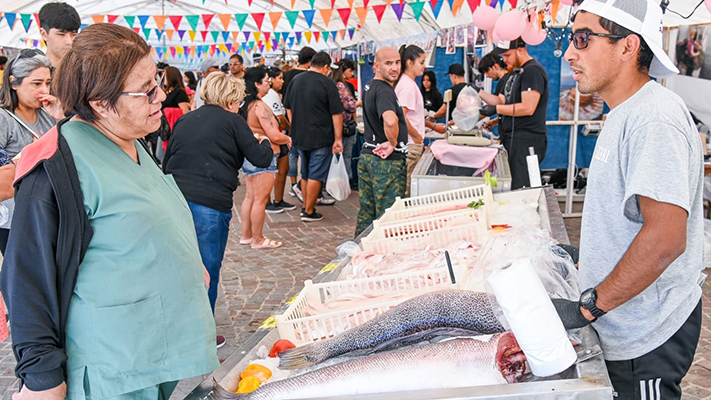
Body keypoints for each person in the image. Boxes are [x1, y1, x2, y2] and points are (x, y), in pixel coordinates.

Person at [2, 24, 220, 400]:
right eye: (147, 90)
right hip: (110, 370)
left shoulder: (130, 139)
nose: (160, 97)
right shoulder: (57, 164)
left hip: (150, 355)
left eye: (158, 83)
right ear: (101, 103)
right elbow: (27, 279)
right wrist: (42, 380)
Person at [551, 1, 704, 399]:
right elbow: (630, 217)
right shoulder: (624, 112)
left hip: (645, 333)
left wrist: (588, 307)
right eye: (572, 39)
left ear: (627, 46)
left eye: (583, 39)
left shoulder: (654, 118)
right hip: (622, 321)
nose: (570, 52)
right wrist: (591, 254)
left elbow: (666, 239)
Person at [164, 71, 273, 324]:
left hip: (175, 201)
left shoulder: (185, 120)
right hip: (210, 204)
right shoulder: (232, 120)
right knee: (207, 269)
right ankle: (201, 333)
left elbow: (168, 163)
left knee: (180, 267)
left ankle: (178, 326)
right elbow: (260, 158)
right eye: (237, 101)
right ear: (230, 100)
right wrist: (265, 141)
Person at [0, 50, 61, 254]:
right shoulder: (4, 119)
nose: (44, 89)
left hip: (47, 212)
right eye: (36, 83)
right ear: (13, 83)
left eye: (47, 82)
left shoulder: (47, 113)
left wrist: (60, 117)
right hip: (14, 220)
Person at [480, 38, 549, 190]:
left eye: (507, 56)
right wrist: (479, 94)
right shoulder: (515, 73)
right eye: (503, 56)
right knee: (512, 184)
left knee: (522, 186)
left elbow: (527, 107)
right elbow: (502, 101)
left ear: (520, 50)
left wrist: (497, 110)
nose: (504, 60)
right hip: (512, 138)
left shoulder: (532, 71)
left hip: (526, 139)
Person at [283, 52, 344, 222]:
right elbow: (336, 114)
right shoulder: (328, 83)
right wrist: (338, 139)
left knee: (306, 172)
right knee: (316, 174)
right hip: (321, 136)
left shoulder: (296, 80)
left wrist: (294, 125)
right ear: (325, 67)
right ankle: (309, 210)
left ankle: (305, 206)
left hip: (300, 135)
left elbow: (288, 107)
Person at [355, 47, 408, 236]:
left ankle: (358, 252)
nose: (394, 68)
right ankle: (383, 257)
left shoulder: (371, 85)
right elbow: (390, 120)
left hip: (369, 156)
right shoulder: (385, 90)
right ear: (376, 66)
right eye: (388, 63)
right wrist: (392, 142)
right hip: (386, 162)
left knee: (367, 213)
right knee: (388, 217)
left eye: (397, 62)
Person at [238, 67, 291, 247]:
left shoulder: (246, 104)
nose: (269, 83)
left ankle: (246, 235)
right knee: (260, 199)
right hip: (265, 154)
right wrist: (288, 138)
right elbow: (274, 135)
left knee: (250, 197)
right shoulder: (259, 106)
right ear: (257, 84)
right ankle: (258, 239)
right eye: (267, 80)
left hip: (251, 153)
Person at [396, 45, 446, 197]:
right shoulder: (407, 86)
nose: (424, 67)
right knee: (407, 189)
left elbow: (413, 116)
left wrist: (432, 126)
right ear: (410, 63)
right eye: (422, 62)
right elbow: (401, 116)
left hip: (411, 142)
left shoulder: (408, 84)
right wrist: (417, 137)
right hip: (410, 143)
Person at [283, 47, 317, 199]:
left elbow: (284, 99)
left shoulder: (288, 74)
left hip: (290, 118)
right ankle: (303, 187)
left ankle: (293, 184)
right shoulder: (307, 76)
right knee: (305, 156)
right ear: (310, 61)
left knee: (292, 154)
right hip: (305, 120)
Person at [262, 66, 296, 214]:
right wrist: (291, 130)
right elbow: (280, 119)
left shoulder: (272, 94)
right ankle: (270, 201)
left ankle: (277, 199)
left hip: (273, 137)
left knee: (282, 169)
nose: (282, 81)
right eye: (280, 78)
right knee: (275, 170)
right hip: (274, 137)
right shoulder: (271, 94)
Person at [332, 59, 358, 188]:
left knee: (336, 155)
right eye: (350, 70)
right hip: (344, 126)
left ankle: (333, 181)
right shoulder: (341, 86)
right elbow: (351, 106)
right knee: (346, 155)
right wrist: (358, 103)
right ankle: (345, 181)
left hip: (333, 126)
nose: (352, 74)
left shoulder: (330, 84)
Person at [477, 51, 513, 135]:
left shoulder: (508, 81)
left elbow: (499, 103)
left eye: (487, 71)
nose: (487, 76)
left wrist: (479, 92)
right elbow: (507, 107)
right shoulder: (503, 81)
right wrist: (496, 120)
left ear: (496, 66)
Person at [38, 2, 80, 70]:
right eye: (61, 34)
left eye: (74, 34)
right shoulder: (34, 74)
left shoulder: (82, 71)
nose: (69, 41)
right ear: (44, 34)